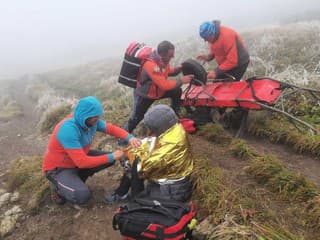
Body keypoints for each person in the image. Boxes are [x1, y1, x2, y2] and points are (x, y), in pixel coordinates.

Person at [42, 96, 141, 205]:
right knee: (82, 196)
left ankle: (76, 178)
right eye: (95, 117)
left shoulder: (92, 122)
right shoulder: (68, 130)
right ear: (85, 116)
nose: (97, 119)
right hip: (58, 168)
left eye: (98, 116)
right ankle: (58, 188)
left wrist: (129, 138)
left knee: (108, 160)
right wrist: (112, 156)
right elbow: (82, 162)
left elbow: (110, 128)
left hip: (77, 159)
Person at [106, 104, 194, 203]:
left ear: (158, 126)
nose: (151, 130)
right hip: (166, 177)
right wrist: (129, 152)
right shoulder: (171, 129)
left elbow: (145, 168)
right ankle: (122, 194)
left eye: (152, 127)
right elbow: (149, 143)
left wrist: (130, 159)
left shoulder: (172, 143)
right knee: (133, 160)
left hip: (173, 188)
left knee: (136, 166)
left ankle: (135, 199)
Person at [123, 40, 194, 135]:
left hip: (157, 91)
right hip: (145, 95)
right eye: (170, 55)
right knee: (136, 118)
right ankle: (123, 138)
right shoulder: (151, 65)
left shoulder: (163, 60)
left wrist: (179, 69)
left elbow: (168, 71)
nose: (172, 57)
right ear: (162, 55)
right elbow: (164, 85)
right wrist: (181, 80)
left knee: (176, 91)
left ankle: (174, 115)